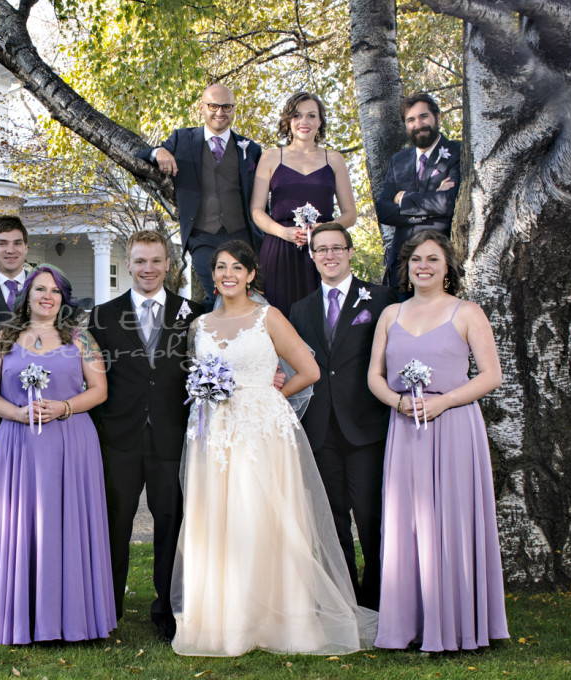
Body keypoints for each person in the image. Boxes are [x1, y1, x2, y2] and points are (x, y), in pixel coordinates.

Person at [172, 240, 376, 657]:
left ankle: (281, 620)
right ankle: (226, 621)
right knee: (218, 522)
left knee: (262, 518)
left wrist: (270, 400)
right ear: (212, 276)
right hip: (214, 433)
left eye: (236, 268)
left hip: (260, 430)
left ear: (250, 275)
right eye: (220, 268)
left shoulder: (269, 317)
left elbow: (310, 370)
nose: (228, 274)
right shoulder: (200, 325)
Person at [367, 230, 508, 651]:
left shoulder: (467, 313)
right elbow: (374, 375)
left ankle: (460, 626)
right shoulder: (391, 314)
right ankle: (408, 626)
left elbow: (491, 376)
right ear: (406, 267)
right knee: (407, 526)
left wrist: (444, 402)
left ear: (447, 268)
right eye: (416, 260)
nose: (423, 266)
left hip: (454, 430)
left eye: (432, 259)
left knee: (452, 523)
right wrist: (396, 401)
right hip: (406, 431)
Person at [0, 265, 117, 644]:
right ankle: (23, 617)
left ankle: (75, 618)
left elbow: (99, 389)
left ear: (63, 298)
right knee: (21, 528)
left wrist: (64, 408)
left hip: (71, 443)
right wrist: (18, 414)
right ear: (26, 296)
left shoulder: (80, 338)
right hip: (19, 444)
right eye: (39, 289)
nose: (47, 296)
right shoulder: (5, 338)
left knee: (68, 522)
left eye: (55, 291)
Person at [88, 230, 201, 641]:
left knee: (172, 523)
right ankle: (106, 609)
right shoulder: (101, 316)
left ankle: (168, 611)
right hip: (119, 437)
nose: (148, 269)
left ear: (168, 264)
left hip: (172, 436)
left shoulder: (194, 313)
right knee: (113, 524)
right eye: (139, 261)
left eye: (155, 261)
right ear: (128, 263)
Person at [290, 223, 397, 610]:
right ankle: (347, 601)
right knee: (333, 524)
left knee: (372, 519)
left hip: (366, 427)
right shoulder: (300, 310)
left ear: (351, 252)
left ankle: (381, 600)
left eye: (337, 248)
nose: (330, 255)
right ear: (312, 255)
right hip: (321, 431)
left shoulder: (382, 300)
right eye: (321, 249)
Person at [138, 83, 262, 310]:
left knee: (242, 295)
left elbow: (262, 192)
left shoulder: (250, 149)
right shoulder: (182, 139)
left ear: (234, 109)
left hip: (243, 235)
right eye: (213, 106)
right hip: (203, 236)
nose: (220, 112)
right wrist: (159, 151)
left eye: (226, 106)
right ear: (201, 108)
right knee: (217, 291)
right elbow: (140, 157)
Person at [251, 91, 357, 318]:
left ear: (320, 121)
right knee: (279, 317)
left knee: (323, 317)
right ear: (288, 121)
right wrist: (284, 232)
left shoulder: (334, 159)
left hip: (323, 250)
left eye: (311, 116)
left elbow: (350, 214)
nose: (304, 122)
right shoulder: (270, 157)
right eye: (297, 116)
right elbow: (257, 211)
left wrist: (326, 231)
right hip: (280, 248)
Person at [375, 93, 461, 289]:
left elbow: (448, 202)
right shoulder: (399, 160)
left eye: (424, 117)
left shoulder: (457, 152)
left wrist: (404, 199)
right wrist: (429, 207)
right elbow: (383, 210)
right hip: (401, 265)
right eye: (411, 120)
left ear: (437, 118)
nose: (418, 124)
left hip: (439, 263)